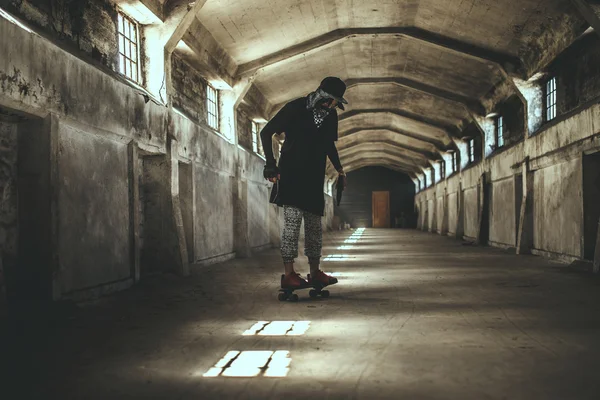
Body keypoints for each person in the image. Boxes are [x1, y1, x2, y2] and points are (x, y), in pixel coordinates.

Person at [260, 77, 348, 289]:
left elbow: (328, 144)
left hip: (314, 178)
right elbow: (266, 132)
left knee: (314, 228)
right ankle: (289, 274)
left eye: (337, 102)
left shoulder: (330, 116)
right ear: (324, 97)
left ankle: (315, 272)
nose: (335, 105)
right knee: (291, 226)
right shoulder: (296, 108)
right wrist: (270, 164)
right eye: (333, 101)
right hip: (291, 175)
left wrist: (339, 169)